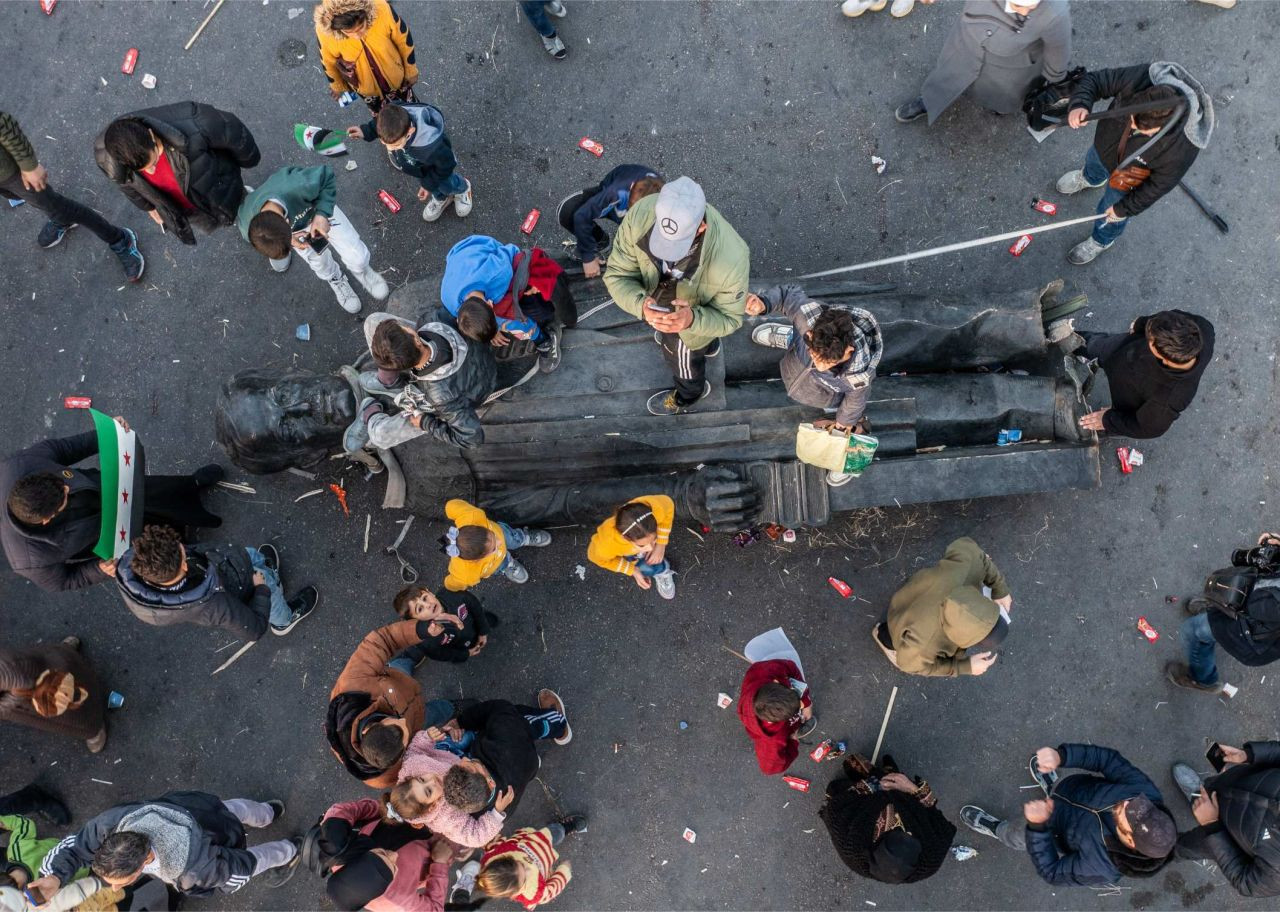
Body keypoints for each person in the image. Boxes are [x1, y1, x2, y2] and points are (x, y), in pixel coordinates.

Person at [1, 422, 223, 593]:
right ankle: (182, 549)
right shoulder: (29, 561)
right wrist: (98, 570)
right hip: (106, 534)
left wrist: (108, 435)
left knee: (158, 491)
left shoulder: (21, 465)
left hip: (108, 489)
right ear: (46, 520)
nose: (68, 488)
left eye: (63, 484)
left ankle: (190, 486)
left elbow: (65, 448)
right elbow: (65, 581)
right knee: (148, 540)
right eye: (64, 497)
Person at [603, 176, 750, 416]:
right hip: (676, 309)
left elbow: (730, 319)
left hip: (687, 329)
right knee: (707, 339)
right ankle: (709, 344)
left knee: (685, 365)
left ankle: (688, 396)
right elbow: (617, 274)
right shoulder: (641, 214)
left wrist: (691, 321)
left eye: (677, 245)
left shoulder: (733, 260)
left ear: (702, 227)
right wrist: (641, 305)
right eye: (662, 237)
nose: (667, 255)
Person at [1055, 62, 1213, 264]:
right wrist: (1080, 104)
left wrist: (1124, 209)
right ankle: (1090, 178)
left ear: (1161, 129)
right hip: (1104, 146)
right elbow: (1095, 80)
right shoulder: (1140, 78)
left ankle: (1102, 240)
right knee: (1094, 161)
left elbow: (1157, 187)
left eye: (1141, 130)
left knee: (1111, 212)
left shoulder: (1183, 147)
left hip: (1128, 178)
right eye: (1131, 118)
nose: (1132, 126)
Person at [961, 743, 1175, 886]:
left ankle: (997, 829)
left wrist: (1037, 828)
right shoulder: (1146, 793)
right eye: (1139, 805)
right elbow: (1108, 760)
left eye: (1128, 813)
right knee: (1056, 791)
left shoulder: (1101, 868)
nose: (1128, 802)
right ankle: (1052, 786)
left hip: (1051, 831)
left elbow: (1052, 872)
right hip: (1070, 788)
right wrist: (1062, 756)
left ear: (1129, 840)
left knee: (1019, 834)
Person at [30, 791, 299, 900]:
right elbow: (77, 849)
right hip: (204, 810)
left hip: (222, 844)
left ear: (145, 860)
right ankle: (268, 813)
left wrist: (228, 884)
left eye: (124, 879)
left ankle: (291, 850)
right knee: (234, 809)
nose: (114, 887)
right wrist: (54, 877)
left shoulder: (194, 871)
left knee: (258, 859)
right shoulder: (112, 823)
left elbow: (242, 868)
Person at [746, 284, 883, 486]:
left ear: (849, 351)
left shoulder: (858, 377)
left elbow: (854, 401)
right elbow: (786, 295)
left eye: (828, 363)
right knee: (798, 340)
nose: (819, 366)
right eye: (815, 356)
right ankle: (792, 338)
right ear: (811, 335)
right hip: (796, 361)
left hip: (824, 393)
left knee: (848, 418)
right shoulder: (807, 320)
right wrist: (764, 303)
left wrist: (843, 424)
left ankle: (848, 456)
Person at [1, 110, 144, 281]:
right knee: (35, 201)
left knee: (59, 207)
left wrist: (28, 165)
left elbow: (3, 124)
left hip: (8, 172)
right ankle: (63, 220)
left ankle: (121, 239)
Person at [94, 101, 260, 247]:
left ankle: (249, 211)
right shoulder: (109, 158)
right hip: (185, 207)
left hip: (217, 185)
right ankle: (230, 219)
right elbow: (126, 185)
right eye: (143, 170)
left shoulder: (194, 120)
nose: (152, 171)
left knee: (238, 202)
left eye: (154, 162)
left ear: (151, 134)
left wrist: (249, 159)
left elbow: (232, 131)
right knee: (211, 223)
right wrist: (149, 207)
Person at [114, 524, 318, 642]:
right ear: (184, 566)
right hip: (248, 584)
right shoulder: (214, 606)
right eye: (182, 549)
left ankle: (266, 570)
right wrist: (262, 590)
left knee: (255, 558)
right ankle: (284, 620)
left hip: (236, 564)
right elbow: (254, 628)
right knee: (272, 596)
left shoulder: (142, 563)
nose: (184, 546)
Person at [238, 164, 389, 314]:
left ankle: (362, 270)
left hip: (317, 211)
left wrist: (322, 213)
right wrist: (291, 240)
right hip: (294, 231)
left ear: (287, 221)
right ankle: (335, 278)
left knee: (356, 253)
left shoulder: (296, 184)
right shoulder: (247, 227)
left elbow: (326, 176)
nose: (293, 248)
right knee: (319, 263)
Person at [895, 1, 1071, 125]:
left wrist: (1055, 81)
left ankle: (1001, 108)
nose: (1025, 13)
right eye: (1018, 6)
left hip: (1012, 65)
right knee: (949, 73)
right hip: (969, 39)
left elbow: (1058, 48)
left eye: (1032, 6)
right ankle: (929, 100)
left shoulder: (1056, 12)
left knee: (1004, 95)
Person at [349, 313, 496, 451]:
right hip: (477, 351)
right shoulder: (432, 316)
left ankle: (371, 412)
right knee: (373, 321)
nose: (406, 327)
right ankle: (389, 381)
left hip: (461, 389)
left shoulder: (443, 398)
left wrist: (426, 423)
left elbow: (472, 439)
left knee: (379, 436)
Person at [874, 537, 1012, 677]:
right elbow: (908, 664)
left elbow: (971, 549)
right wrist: (964, 667)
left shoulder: (966, 570)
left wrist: (999, 588)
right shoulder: (925, 643)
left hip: (915, 592)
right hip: (901, 618)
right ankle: (882, 636)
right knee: (895, 642)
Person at [1167, 533, 1280, 695]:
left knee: (1195, 631)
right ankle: (1218, 606)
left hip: (1254, 636)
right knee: (1226, 593)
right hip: (1258, 593)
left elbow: (1260, 607)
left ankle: (1204, 679)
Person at [818, 752, 956, 883]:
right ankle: (889, 775)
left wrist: (875, 785)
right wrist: (913, 790)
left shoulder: (851, 844)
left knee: (849, 768)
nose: (908, 832)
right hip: (901, 801)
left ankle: (883, 776)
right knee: (882, 774)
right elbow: (938, 818)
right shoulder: (933, 856)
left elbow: (836, 807)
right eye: (912, 836)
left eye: (898, 833)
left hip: (863, 803)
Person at [440, 235, 569, 374]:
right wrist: (492, 331)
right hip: (462, 253)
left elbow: (509, 250)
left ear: (490, 304)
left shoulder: (499, 274)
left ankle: (544, 341)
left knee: (515, 319)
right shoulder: (449, 302)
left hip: (493, 255)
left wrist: (507, 325)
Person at [1074, 310, 1214, 439]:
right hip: (1121, 348)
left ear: (1163, 357)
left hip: (1129, 391)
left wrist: (1108, 420)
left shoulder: (1167, 400)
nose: (1146, 332)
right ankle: (1069, 342)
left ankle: (1103, 429)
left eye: (1149, 339)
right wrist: (1141, 323)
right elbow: (1164, 319)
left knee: (1119, 419)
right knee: (1091, 343)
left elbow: (1146, 429)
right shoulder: (1202, 328)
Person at [1170, 740, 1280, 897]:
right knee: (1211, 789)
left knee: (1187, 845)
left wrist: (1211, 825)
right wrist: (1248, 755)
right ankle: (1199, 795)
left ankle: (1168, 849)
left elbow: (1246, 883)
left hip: (1223, 835)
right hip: (1236, 782)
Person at [326, 621, 427, 788]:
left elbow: (381, 641)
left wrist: (418, 630)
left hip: (395, 682)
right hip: (416, 713)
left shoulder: (353, 684)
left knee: (400, 667)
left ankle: (407, 659)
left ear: (367, 728)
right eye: (405, 733)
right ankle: (450, 708)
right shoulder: (381, 778)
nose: (403, 721)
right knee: (435, 712)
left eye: (395, 723)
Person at [440, 693, 572, 817]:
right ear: (490, 782)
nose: (463, 757)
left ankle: (536, 762)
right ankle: (559, 724)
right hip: (517, 744)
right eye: (471, 763)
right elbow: (501, 708)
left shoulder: (489, 809)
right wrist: (461, 721)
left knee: (528, 763)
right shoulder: (504, 737)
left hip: (526, 770)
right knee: (528, 721)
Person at [318, 797, 454, 912]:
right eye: (393, 868)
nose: (394, 854)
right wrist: (440, 864)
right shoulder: (396, 900)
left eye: (382, 852)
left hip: (409, 814)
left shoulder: (342, 855)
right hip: (442, 846)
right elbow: (435, 909)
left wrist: (378, 808)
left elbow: (341, 813)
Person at [345, 101, 473, 223]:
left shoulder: (431, 146)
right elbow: (378, 124)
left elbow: (446, 165)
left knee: (447, 184)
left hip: (437, 172)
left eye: (396, 145)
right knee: (433, 187)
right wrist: (365, 131)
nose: (390, 148)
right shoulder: (393, 115)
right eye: (385, 143)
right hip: (419, 169)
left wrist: (428, 184)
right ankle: (441, 198)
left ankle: (462, 189)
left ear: (409, 132)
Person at [392, 728, 513, 847]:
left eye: (421, 779)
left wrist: (427, 737)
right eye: (428, 791)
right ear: (432, 806)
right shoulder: (446, 819)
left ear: (410, 778)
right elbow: (474, 837)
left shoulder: (412, 766)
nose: (432, 780)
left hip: (452, 755)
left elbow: (415, 749)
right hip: (473, 780)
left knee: (463, 738)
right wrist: (496, 813)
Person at [0, 638, 107, 753]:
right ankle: (66, 653)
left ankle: (93, 725)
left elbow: (16, 677)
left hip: (23, 680)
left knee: (64, 697)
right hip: (18, 693)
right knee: (57, 703)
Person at [556, 166, 663, 278]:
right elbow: (582, 215)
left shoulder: (667, 203)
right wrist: (588, 257)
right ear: (631, 188)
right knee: (568, 212)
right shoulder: (616, 193)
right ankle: (601, 241)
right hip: (613, 206)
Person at [314, 0, 419, 114]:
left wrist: (411, 70)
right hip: (367, 91)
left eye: (361, 27)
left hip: (398, 79)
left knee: (413, 109)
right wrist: (338, 86)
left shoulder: (382, 8)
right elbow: (328, 62)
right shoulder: (325, 32)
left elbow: (403, 39)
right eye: (349, 32)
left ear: (366, 12)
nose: (358, 36)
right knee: (382, 118)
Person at [475, 817, 588, 910]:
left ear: (506, 857)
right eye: (525, 878)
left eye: (522, 864)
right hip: (543, 857)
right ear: (514, 892)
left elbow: (495, 846)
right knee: (554, 835)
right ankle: (563, 828)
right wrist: (564, 871)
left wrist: (489, 840)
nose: (530, 868)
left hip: (536, 840)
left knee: (555, 832)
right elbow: (552, 889)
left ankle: (564, 827)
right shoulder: (533, 894)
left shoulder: (493, 857)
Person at [441, 499, 551, 590]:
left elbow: (450, 506)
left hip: (503, 533)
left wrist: (449, 509)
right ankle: (508, 564)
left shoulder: (472, 516)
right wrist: (450, 585)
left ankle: (523, 538)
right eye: (494, 547)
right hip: (494, 564)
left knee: (512, 538)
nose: (499, 542)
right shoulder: (465, 572)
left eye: (492, 535)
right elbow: (452, 583)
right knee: (500, 564)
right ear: (478, 559)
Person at [586, 496, 677, 600]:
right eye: (642, 545)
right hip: (626, 551)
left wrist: (661, 545)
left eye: (654, 539)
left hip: (630, 548)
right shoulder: (607, 545)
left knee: (651, 563)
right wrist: (632, 570)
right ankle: (653, 567)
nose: (651, 548)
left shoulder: (655, 510)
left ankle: (662, 570)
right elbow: (597, 558)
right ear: (626, 538)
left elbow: (668, 504)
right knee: (645, 569)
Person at [737, 656, 814, 775]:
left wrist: (806, 703)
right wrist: (793, 741)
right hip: (785, 731)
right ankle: (796, 725)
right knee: (792, 728)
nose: (802, 704)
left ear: (776, 682)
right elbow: (770, 767)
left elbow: (791, 667)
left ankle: (797, 721)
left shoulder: (768, 672)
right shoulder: (772, 739)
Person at [391, 585, 498, 664]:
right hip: (460, 646)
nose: (428, 605)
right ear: (415, 620)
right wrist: (466, 654)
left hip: (474, 624)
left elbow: (475, 606)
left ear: (430, 592)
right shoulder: (425, 641)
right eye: (420, 609)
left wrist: (483, 631)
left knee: (486, 620)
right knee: (459, 657)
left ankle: (484, 627)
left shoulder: (453, 594)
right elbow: (441, 654)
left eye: (425, 598)